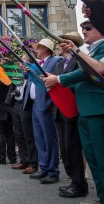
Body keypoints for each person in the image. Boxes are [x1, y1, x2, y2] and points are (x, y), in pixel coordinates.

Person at [44, 20, 104, 204]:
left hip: (97, 108)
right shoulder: (91, 51)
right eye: (82, 28)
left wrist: (59, 79)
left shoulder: (98, 50)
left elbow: (90, 72)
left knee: (101, 158)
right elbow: (81, 78)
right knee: (93, 159)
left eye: (88, 28)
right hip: (84, 108)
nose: (84, 31)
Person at [53, 32, 88, 198]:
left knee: (74, 147)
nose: (58, 46)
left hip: (73, 108)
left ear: (69, 43)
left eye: (61, 42)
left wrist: (59, 82)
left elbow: (79, 80)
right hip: (60, 110)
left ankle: (80, 183)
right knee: (65, 148)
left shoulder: (80, 60)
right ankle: (73, 180)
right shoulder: (59, 64)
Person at [24, 39, 60, 184]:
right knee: (39, 138)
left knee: (49, 139)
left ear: (45, 49)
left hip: (46, 104)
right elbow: (28, 79)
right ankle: (44, 167)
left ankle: (53, 170)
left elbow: (53, 79)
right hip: (35, 104)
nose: (36, 51)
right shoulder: (38, 62)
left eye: (38, 48)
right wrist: (27, 70)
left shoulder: (56, 61)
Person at [8, 55, 38, 174]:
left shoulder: (30, 73)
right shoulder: (20, 73)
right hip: (16, 104)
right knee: (18, 134)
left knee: (28, 135)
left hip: (26, 106)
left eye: (23, 60)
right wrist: (6, 64)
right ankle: (24, 160)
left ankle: (33, 162)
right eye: (20, 60)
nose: (21, 62)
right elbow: (12, 76)